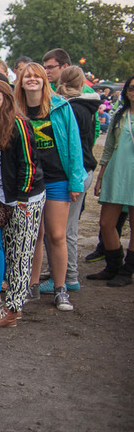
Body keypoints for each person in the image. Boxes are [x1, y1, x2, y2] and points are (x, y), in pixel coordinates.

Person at [0, 80, 46, 327]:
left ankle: (12, 310)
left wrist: (23, 199)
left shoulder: (19, 123)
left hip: (25, 199)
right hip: (3, 198)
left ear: (6, 100)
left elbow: (29, 163)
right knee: (10, 250)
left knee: (21, 254)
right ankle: (15, 306)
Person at [14, 62, 86, 311]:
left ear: (46, 80)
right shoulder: (16, 110)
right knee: (33, 236)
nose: (32, 79)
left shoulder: (61, 107)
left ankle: (60, 287)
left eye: (37, 76)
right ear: (20, 81)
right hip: (29, 181)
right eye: (27, 76)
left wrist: (76, 182)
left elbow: (75, 146)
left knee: (57, 235)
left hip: (57, 179)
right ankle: (31, 285)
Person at [47, 66, 99, 293]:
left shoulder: (70, 108)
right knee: (68, 229)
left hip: (74, 174)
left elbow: (70, 148)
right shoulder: (88, 107)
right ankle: (68, 275)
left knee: (64, 231)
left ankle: (68, 277)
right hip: (84, 171)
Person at [90, 75, 134, 285]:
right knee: (107, 223)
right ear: (126, 91)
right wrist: (100, 176)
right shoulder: (119, 115)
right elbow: (107, 149)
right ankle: (113, 265)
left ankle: (127, 272)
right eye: (132, 87)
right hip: (117, 171)